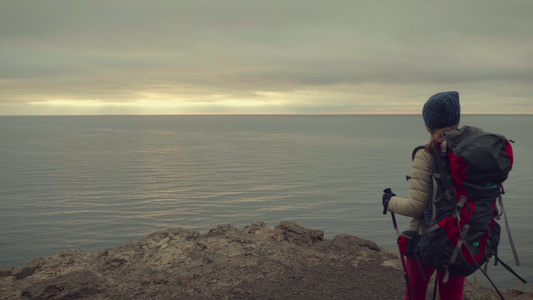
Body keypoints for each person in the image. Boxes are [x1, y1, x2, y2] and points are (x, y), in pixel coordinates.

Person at [382, 91, 465, 300]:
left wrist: (389, 202)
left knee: (415, 294)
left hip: (426, 240)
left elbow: (416, 207)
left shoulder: (425, 154)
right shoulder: (468, 152)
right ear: (456, 119)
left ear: (428, 125)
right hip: (460, 237)